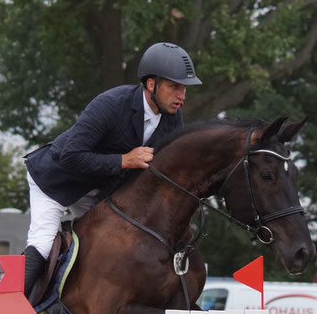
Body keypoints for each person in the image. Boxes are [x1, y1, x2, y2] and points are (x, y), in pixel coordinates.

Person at [22, 42, 202, 299]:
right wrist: (123, 161)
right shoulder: (111, 104)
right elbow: (70, 155)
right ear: (152, 85)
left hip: (98, 190)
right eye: (174, 87)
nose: (181, 96)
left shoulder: (173, 119)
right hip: (56, 181)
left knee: (106, 247)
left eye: (184, 88)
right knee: (41, 243)